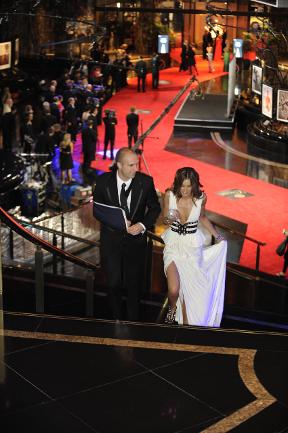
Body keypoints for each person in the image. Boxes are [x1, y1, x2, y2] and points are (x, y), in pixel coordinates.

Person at [93, 147, 161, 321]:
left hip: (136, 242)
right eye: (131, 165)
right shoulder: (102, 182)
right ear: (118, 165)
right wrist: (117, 222)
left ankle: (134, 322)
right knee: (113, 284)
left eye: (136, 164)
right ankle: (116, 318)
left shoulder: (145, 182)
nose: (136, 169)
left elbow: (155, 208)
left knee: (134, 286)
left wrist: (142, 225)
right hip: (111, 241)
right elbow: (97, 211)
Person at [161, 167, 227, 326]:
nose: (184, 190)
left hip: (192, 248)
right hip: (173, 245)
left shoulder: (201, 198)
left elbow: (203, 218)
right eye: (182, 186)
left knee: (188, 292)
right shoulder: (169, 195)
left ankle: (187, 324)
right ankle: (172, 309)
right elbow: (164, 221)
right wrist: (170, 217)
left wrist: (217, 236)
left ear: (194, 185)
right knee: (174, 290)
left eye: (188, 186)